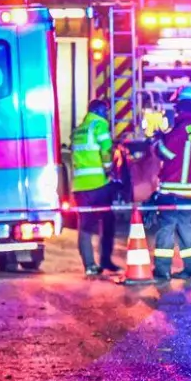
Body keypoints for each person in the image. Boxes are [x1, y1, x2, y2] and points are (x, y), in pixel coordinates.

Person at [151, 87, 191, 282]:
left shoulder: (181, 127)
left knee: (166, 227)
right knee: (185, 226)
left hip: (174, 187)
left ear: (181, 105)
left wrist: (157, 140)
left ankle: (162, 270)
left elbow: (166, 153)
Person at [69, 98, 120, 276]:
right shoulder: (99, 126)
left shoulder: (78, 130)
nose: (106, 114)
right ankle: (105, 259)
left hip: (80, 187)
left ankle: (90, 265)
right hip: (98, 184)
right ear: (99, 111)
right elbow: (107, 151)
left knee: (85, 227)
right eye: (105, 111)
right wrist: (109, 170)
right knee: (107, 221)